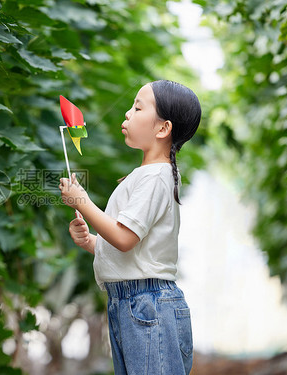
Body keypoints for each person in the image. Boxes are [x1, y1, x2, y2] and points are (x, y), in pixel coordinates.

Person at [59, 80, 201, 375]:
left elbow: (125, 239)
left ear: (163, 129)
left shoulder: (155, 177)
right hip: (131, 304)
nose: (127, 113)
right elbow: (129, 253)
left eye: (138, 107)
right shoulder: (147, 176)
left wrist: (83, 202)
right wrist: (91, 243)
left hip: (147, 306)